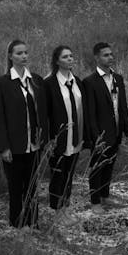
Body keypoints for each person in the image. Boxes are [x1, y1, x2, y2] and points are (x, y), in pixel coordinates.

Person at [0, 39, 48, 228]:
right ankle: (16, 224)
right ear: (10, 57)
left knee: (32, 186)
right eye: (19, 53)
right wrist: (4, 147)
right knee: (15, 188)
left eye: (26, 53)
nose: (24, 56)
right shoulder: (1, 83)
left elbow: (43, 111)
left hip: (35, 144)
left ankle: (33, 222)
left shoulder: (37, 80)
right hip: (14, 146)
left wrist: (45, 139)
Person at [44, 45, 91, 226]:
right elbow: (45, 115)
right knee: (58, 175)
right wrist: (48, 140)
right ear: (57, 61)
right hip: (59, 139)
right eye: (65, 57)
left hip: (75, 137)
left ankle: (66, 208)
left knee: (70, 174)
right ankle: (57, 211)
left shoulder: (77, 81)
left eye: (71, 56)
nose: (70, 59)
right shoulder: (49, 84)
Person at [83, 42, 128, 214]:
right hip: (101, 133)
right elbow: (90, 113)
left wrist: (127, 129)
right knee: (97, 167)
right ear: (96, 58)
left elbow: (123, 105)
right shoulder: (89, 82)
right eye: (106, 55)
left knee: (109, 164)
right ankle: (95, 201)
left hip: (116, 130)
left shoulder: (118, 78)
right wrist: (96, 136)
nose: (110, 57)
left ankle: (105, 195)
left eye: (111, 54)